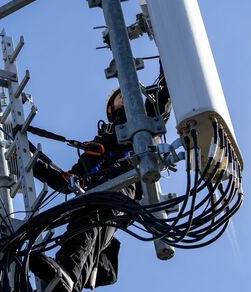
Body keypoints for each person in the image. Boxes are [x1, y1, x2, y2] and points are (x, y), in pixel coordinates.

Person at [30, 69, 172, 292]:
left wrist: (169, 53)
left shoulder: (143, 123)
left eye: (129, 94)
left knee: (92, 211)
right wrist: (30, 157)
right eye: (120, 95)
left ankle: (67, 274)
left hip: (127, 181)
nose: (125, 97)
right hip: (101, 191)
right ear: (110, 109)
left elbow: (164, 95)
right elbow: (67, 180)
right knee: (84, 215)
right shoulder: (97, 148)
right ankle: (65, 277)